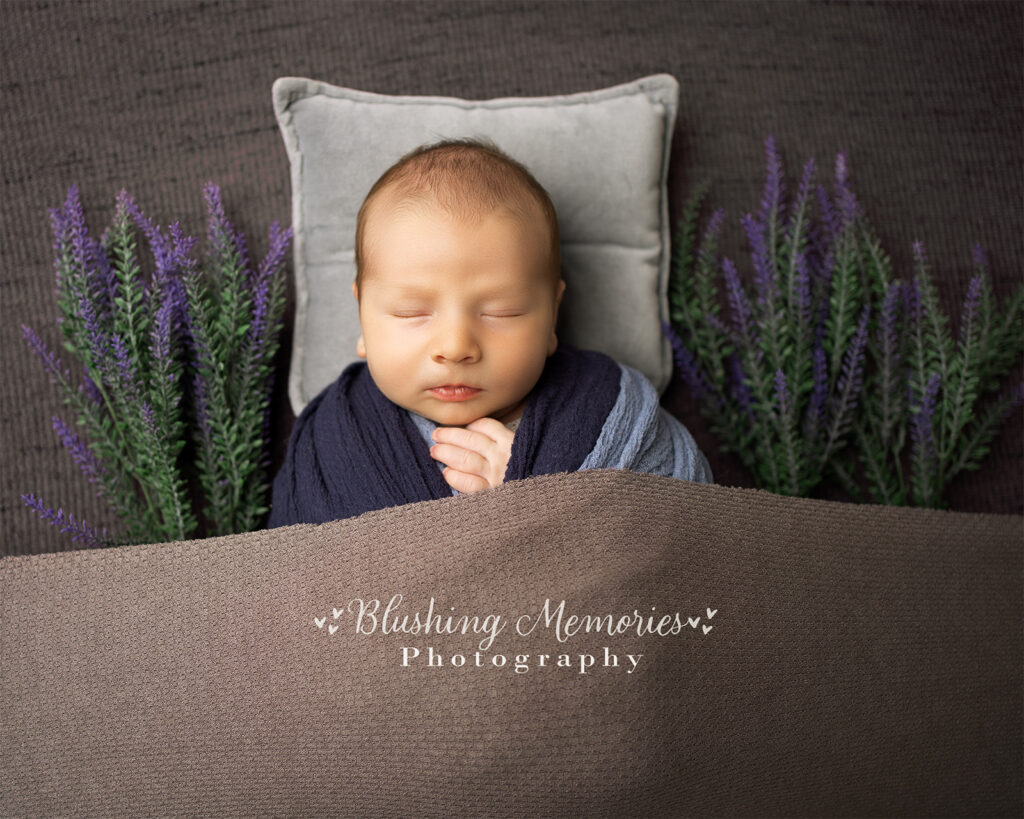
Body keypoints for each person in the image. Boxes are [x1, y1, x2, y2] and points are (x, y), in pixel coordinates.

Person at [267, 138, 711, 527]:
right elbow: (292, 573)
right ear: (363, 317)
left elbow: (693, 529)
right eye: (411, 312)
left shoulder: (607, 407)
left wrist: (541, 504)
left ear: (551, 317)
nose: (455, 346)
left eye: (502, 312)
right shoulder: (334, 438)